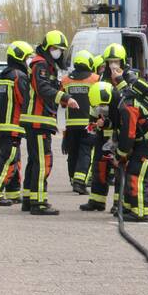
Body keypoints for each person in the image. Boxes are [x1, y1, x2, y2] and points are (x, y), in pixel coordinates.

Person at [20, 30, 78, 216]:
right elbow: (43, 88)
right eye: (55, 48)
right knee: (43, 162)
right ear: (47, 48)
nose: (58, 52)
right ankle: (39, 202)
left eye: (60, 49)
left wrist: (63, 97)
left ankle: (29, 199)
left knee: (34, 161)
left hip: (40, 120)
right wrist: (65, 98)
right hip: (37, 121)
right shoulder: (41, 64)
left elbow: (52, 89)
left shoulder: (49, 66)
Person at [111, 68, 148, 222]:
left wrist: (120, 154)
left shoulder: (129, 105)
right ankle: (129, 208)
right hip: (146, 138)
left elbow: (128, 134)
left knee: (137, 175)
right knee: (130, 171)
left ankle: (140, 213)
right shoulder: (131, 97)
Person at [79, 43, 133, 212]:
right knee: (100, 165)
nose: (113, 65)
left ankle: (118, 203)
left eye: (116, 61)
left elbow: (130, 102)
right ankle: (97, 200)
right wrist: (93, 122)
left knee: (120, 167)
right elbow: (95, 100)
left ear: (123, 61)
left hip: (120, 130)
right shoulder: (103, 77)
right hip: (103, 129)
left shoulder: (130, 77)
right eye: (110, 61)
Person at [0, 40, 32, 207]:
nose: (28, 61)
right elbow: (25, 100)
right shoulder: (19, 76)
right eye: (27, 57)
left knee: (14, 158)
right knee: (8, 159)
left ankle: (13, 192)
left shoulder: (2, 77)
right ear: (20, 57)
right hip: (13, 125)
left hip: (1, 126)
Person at [61, 50, 98, 195]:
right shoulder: (95, 78)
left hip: (71, 124)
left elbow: (62, 103)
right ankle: (80, 181)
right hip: (89, 123)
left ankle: (73, 179)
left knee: (73, 153)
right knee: (86, 152)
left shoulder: (65, 80)